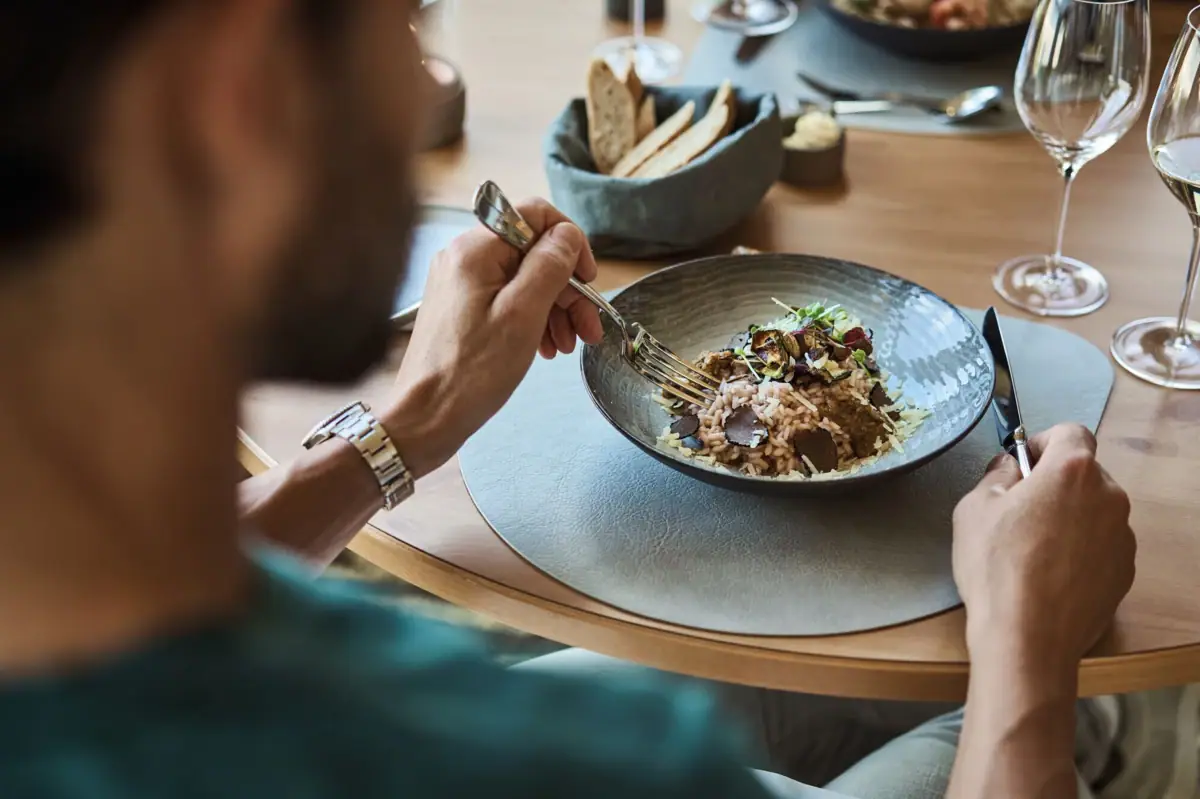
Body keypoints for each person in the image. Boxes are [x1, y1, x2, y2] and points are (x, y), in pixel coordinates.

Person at [0, 2, 1137, 797]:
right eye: (408, 20)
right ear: (234, 91)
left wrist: (413, 423)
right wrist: (1029, 656)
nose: (426, 84)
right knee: (1041, 702)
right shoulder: (601, 762)